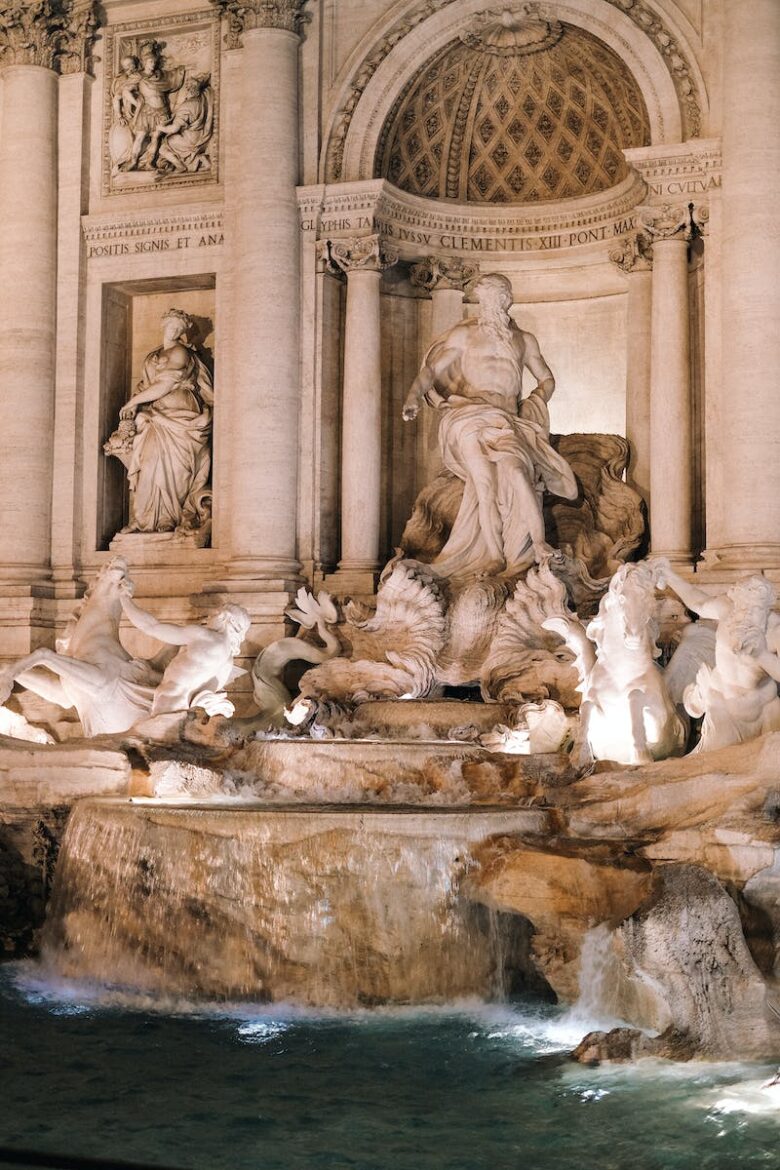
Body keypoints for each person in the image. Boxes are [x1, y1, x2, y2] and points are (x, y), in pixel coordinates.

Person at [402, 272, 577, 578]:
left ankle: (539, 544)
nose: (489, 304)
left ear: (506, 299)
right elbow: (431, 369)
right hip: (469, 415)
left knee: (517, 472)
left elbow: (546, 378)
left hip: (508, 418)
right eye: (484, 298)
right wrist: (414, 396)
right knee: (483, 484)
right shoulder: (465, 334)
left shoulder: (524, 339)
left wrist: (535, 401)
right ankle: (495, 555)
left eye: (495, 297)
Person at [654, 559, 780, 752]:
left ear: (767, 608)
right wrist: (670, 576)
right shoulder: (726, 609)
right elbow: (698, 601)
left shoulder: (775, 630)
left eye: (756, 610)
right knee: (717, 765)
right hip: (722, 704)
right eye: (743, 608)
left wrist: (762, 655)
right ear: (735, 603)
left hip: (762, 710)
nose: (747, 616)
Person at [113, 308, 213, 535]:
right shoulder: (153, 356)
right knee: (149, 465)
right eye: (172, 326)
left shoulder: (180, 353)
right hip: (155, 417)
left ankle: (169, 518)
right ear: (164, 326)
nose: (175, 331)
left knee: (175, 470)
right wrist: (137, 404)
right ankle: (143, 521)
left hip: (181, 418)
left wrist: (132, 403)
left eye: (179, 328)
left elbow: (165, 385)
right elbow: (147, 386)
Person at [119, 589, 250, 718]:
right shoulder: (228, 661)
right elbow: (202, 688)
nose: (210, 617)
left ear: (228, 619)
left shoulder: (205, 636)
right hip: (183, 705)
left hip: (169, 701)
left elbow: (152, 627)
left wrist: (124, 599)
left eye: (215, 614)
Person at [122, 41, 185, 171]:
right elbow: (125, 91)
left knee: (156, 137)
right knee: (140, 136)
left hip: (162, 111)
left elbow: (173, 80)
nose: (153, 64)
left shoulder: (160, 76)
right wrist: (137, 102)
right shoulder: (139, 76)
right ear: (145, 62)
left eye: (154, 62)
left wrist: (182, 70)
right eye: (151, 62)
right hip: (147, 111)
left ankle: (150, 162)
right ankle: (133, 161)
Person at [151, 74, 213, 174]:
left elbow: (174, 129)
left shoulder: (186, 106)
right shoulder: (202, 99)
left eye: (186, 88)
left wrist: (160, 128)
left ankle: (180, 167)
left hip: (190, 139)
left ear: (188, 89)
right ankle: (200, 158)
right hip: (200, 136)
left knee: (164, 147)